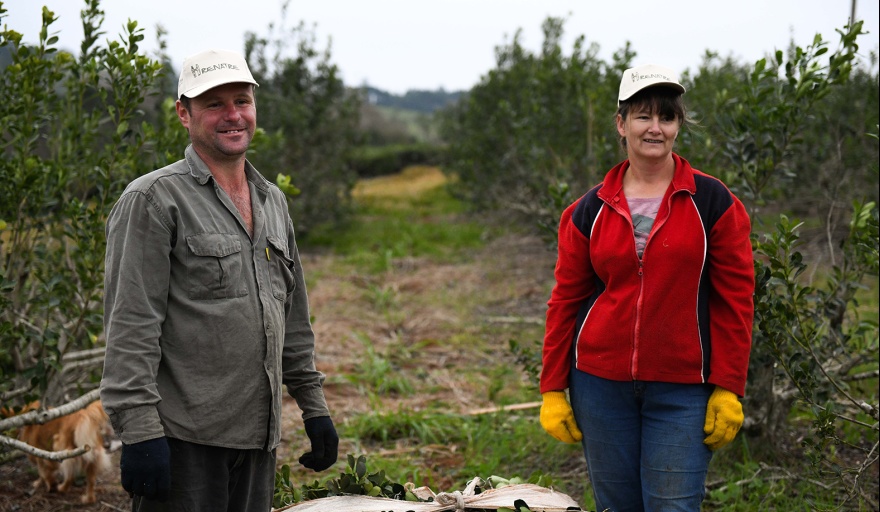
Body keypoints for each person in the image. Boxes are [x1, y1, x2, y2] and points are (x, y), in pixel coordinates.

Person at [100, 48, 338, 510]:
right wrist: (140, 432)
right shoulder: (152, 200)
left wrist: (314, 407)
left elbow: (292, 318)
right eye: (214, 104)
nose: (233, 116)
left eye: (242, 101)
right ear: (184, 114)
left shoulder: (272, 201)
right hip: (182, 441)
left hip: (258, 439)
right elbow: (131, 326)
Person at [538, 64, 754, 511]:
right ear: (621, 125)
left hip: (683, 390)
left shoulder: (713, 203)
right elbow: (566, 301)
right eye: (642, 116)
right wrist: (553, 388)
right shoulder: (586, 211)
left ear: (678, 126)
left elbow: (735, 299)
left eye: (667, 117)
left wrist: (728, 385)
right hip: (599, 386)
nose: (655, 128)